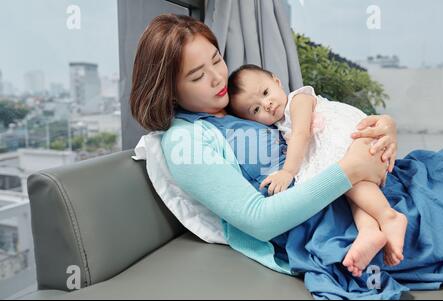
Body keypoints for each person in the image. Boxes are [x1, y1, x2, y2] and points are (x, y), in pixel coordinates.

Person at [129, 14, 397, 279]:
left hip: (359, 192)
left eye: (216, 60)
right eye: (198, 76)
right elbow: (259, 220)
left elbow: (310, 121)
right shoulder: (184, 141)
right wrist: (349, 170)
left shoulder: (234, 107)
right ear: (170, 90)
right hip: (336, 219)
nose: (218, 79)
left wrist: (383, 128)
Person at [226, 64, 408, 276]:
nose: (266, 105)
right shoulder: (278, 125)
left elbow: (302, 133)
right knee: (348, 187)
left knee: (346, 175)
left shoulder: (298, 99)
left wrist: (288, 172)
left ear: (276, 81)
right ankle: (369, 231)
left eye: (265, 93)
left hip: (353, 139)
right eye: (255, 110)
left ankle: (389, 217)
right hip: (350, 155)